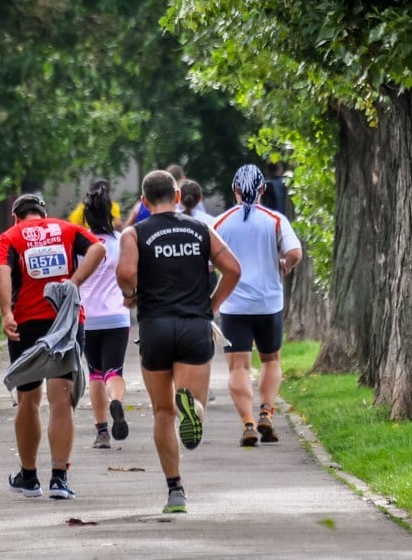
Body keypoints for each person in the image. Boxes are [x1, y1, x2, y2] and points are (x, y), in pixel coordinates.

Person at [116, 169, 240, 514]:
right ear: (176, 196)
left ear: (143, 201)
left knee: (161, 411)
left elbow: (125, 274)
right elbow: (233, 268)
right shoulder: (200, 228)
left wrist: (131, 295)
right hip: (194, 326)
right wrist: (212, 306)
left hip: (155, 326)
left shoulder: (134, 233)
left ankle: (175, 491)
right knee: (195, 400)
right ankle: (194, 410)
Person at [0, 193, 106, 500]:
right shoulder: (66, 229)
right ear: (43, 213)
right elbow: (98, 247)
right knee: (61, 398)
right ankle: (59, 479)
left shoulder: (10, 236)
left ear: (16, 217)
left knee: (28, 400)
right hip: (65, 321)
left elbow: (2, 270)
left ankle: (29, 478)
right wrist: (74, 282)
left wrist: (6, 314)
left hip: (26, 323)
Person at [213, 164, 302, 447]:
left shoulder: (219, 223)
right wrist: (286, 263)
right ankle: (266, 412)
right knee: (270, 360)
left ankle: (248, 423)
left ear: (235, 190)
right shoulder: (275, 220)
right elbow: (295, 252)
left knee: (238, 367)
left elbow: (206, 261)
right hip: (268, 303)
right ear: (263, 189)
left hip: (233, 305)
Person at [78, 184, 133, 449]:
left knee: (95, 373)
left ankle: (102, 432)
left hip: (88, 318)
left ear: (86, 216)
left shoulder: (81, 244)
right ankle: (117, 401)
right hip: (117, 316)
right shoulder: (122, 242)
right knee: (114, 370)